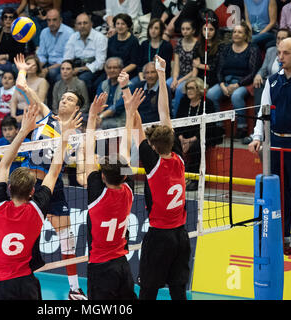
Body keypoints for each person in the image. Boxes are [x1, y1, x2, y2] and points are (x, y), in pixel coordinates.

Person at [0, 103, 82, 300]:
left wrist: (23, 131)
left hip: (0, 285)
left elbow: (4, 164)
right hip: (26, 284)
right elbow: (55, 172)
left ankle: (75, 288)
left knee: (66, 237)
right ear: (32, 191)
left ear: (9, 188)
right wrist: (64, 137)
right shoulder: (36, 210)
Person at [13, 53, 88, 300]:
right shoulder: (45, 114)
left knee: (67, 240)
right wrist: (23, 70)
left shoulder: (77, 134)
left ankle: (75, 289)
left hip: (52, 187)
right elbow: (22, 86)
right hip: (27, 185)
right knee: (16, 236)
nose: (64, 100)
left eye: (70, 99)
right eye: (63, 97)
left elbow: (66, 157)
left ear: (77, 108)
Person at [127, 55, 190, 300]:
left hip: (159, 236)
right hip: (181, 236)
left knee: (148, 290)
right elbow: (166, 114)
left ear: (153, 146)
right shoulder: (179, 159)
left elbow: (136, 127)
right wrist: (162, 75)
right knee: (177, 289)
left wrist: (130, 105)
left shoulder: (153, 165)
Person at [248, 38, 291, 249]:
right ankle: (283, 232)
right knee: (279, 190)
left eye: (286, 53)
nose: (280, 57)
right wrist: (257, 137)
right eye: (279, 53)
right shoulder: (273, 80)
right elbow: (263, 111)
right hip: (275, 142)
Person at [83, 90, 138, 300]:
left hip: (100, 267)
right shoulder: (129, 189)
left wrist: (92, 116)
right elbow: (126, 151)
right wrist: (130, 113)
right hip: (122, 265)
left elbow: (89, 151)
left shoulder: (97, 195)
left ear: (103, 176)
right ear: (124, 176)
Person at [205, 21, 262, 138]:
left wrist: (237, 85)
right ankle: (218, 126)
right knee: (211, 94)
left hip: (244, 82)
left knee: (236, 96)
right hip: (225, 81)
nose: (236, 34)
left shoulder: (253, 49)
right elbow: (219, 70)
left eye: (240, 32)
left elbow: (253, 72)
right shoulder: (226, 49)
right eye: (234, 31)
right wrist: (222, 85)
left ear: (246, 35)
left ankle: (242, 127)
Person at [174, 77, 220, 191]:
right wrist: (181, 138)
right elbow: (178, 121)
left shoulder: (207, 103)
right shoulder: (184, 101)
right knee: (172, 142)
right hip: (184, 135)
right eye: (187, 88)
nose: (188, 91)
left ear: (199, 89)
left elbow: (210, 126)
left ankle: (195, 179)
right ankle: (176, 177)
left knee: (196, 147)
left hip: (203, 134)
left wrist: (191, 140)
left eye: (191, 88)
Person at [63, 12, 108, 97]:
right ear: (75, 26)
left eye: (85, 23)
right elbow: (67, 57)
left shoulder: (99, 37)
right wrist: (68, 69)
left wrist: (79, 69)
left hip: (94, 69)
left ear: (91, 24)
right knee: (59, 76)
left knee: (83, 79)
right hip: (76, 66)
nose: (82, 26)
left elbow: (100, 63)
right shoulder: (73, 37)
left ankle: (85, 105)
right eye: (79, 23)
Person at [0, 7, 35, 78]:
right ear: (2, 19)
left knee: (9, 68)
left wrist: (4, 57)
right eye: (5, 17)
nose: (8, 20)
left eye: (10, 18)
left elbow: (19, 54)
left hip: (12, 63)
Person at [167, 19, 198, 118]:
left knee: (180, 89)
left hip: (192, 76)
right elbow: (176, 64)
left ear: (193, 30)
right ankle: (166, 115)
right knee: (166, 84)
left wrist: (180, 81)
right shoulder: (179, 43)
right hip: (179, 75)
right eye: (183, 29)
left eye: (188, 29)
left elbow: (195, 69)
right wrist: (175, 79)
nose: (185, 31)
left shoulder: (198, 44)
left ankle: (176, 118)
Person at [36, 8, 74, 85]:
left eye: (54, 20)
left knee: (52, 73)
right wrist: (37, 67)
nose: (51, 23)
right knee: (31, 70)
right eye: (48, 20)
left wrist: (47, 69)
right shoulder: (44, 32)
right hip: (48, 63)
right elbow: (41, 55)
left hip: (63, 65)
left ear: (60, 20)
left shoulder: (69, 33)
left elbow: (67, 59)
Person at [10, 55, 49, 123]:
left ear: (37, 67)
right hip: (18, 112)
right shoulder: (21, 81)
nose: (30, 67)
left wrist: (24, 116)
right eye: (27, 64)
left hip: (34, 114)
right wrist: (13, 116)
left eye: (33, 65)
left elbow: (40, 103)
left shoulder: (42, 81)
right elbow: (13, 101)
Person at [95, 57, 128, 129]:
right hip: (103, 118)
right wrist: (96, 117)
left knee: (101, 125)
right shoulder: (103, 84)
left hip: (121, 120)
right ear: (105, 69)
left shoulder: (127, 85)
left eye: (115, 68)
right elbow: (98, 103)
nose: (112, 70)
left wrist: (100, 116)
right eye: (109, 68)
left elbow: (117, 107)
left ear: (121, 69)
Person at [192, 16, 223, 90]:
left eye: (211, 29)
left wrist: (199, 65)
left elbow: (214, 67)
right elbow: (195, 65)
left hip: (215, 78)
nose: (207, 32)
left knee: (208, 94)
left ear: (216, 31)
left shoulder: (221, 46)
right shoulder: (198, 44)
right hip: (200, 78)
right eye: (205, 29)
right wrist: (193, 80)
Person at [106, 13, 140, 80]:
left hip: (128, 73)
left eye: (123, 24)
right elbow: (108, 60)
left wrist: (119, 73)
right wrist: (109, 72)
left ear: (128, 26)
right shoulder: (111, 40)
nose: (120, 26)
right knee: (100, 84)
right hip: (112, 71)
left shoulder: (133, 41)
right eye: (117, 24)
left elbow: (134, 64)